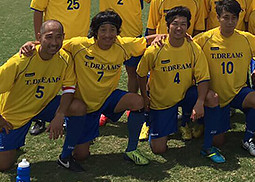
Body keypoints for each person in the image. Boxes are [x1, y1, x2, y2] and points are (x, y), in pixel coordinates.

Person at [21, 11, 162, 166]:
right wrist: (30, 44)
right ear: (95, 31)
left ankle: (131, 150)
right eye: (103, 30)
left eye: (112, 30)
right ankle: (77, 130)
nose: (108, 35)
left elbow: (146, 40)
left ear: (117, 32)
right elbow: (53, 44)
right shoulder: (79, 45)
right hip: (85, 106)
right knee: (81, 155)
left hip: (108, 98)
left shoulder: (123, 45)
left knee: (137, 101)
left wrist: (161, 37)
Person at [0, 20, 87, 172]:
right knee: (2, 165)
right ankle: (13, 143)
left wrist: (60, 114)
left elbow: (69, 89)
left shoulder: (65, 58)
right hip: (17, 112)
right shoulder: (22, 59)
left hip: (44, 105)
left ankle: (66, 157)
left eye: (58, 37)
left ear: (63, 37)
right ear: (39, 37)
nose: (54, 42)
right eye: (49, 37)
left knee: (78, 107)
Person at [29, 0, 94, 136]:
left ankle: (71, 116)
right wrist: (39, 39)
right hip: (54, 42)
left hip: (79, 42)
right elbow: (38, 10)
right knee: (45, 80)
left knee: (74, 81)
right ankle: (39, 118)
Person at [137, 6, 220, 156]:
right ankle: (151, 122)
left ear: (188, 27)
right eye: (175, 24)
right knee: (158, 149)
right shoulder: (155, 49)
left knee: (212, 97)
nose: (179, 28)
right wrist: (144, 96)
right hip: (163, 100)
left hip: (186, 94)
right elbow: (141, 74)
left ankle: (205, 143)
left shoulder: (193, 47)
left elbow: (203, 78)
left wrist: (200, 102)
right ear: (168, 26)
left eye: (183, 24)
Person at [194, 0, 255, 161]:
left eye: (234, 18)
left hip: (237, 91)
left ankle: (248, 139)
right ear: (218, 18)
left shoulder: (246, 38)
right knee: (218, 141)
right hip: (215, 96)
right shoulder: (204, 39)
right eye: (226, 17)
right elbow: (186, 46)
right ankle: (200, 121)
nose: (230, 22)